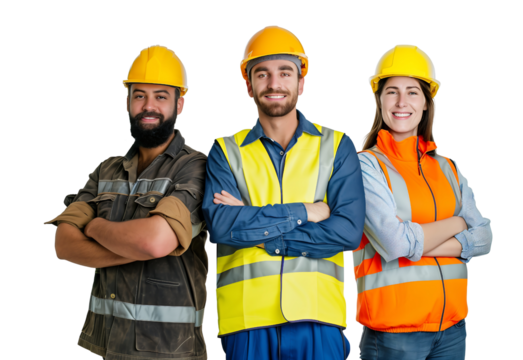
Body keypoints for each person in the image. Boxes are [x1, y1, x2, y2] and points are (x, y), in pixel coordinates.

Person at [202, 24, 365, 360]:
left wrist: (259, 232)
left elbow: (348, 232)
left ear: (301, 82)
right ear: (248, 85)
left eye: (285, 73)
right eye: (262, 74)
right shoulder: (225, 149)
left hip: (318, 317)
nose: (274, 84)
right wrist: (306, 211)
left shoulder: (337, 145)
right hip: (247, 321)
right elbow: (221, 227)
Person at [44, 44, 209, 360]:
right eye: (139, 95)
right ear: (127, 101)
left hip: (168, 352)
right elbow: (63, 244)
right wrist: (132, 247)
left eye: (161, 96)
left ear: (180, 103)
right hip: (105, 345)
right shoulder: (106, 169)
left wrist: (94, 225)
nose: (149, 106)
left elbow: (154, 242)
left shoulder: (196, 168)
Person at [354, 43, 493, 359]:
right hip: (394, 335)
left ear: (427, 100)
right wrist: (459, 224)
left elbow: (485, 237)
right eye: (392, 92)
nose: (402, 102)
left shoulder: (448, 167)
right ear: (379, 99)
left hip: (452, 331)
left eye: (413, 92)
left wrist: (416, 242)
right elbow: (394, 244)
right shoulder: (366, 166)